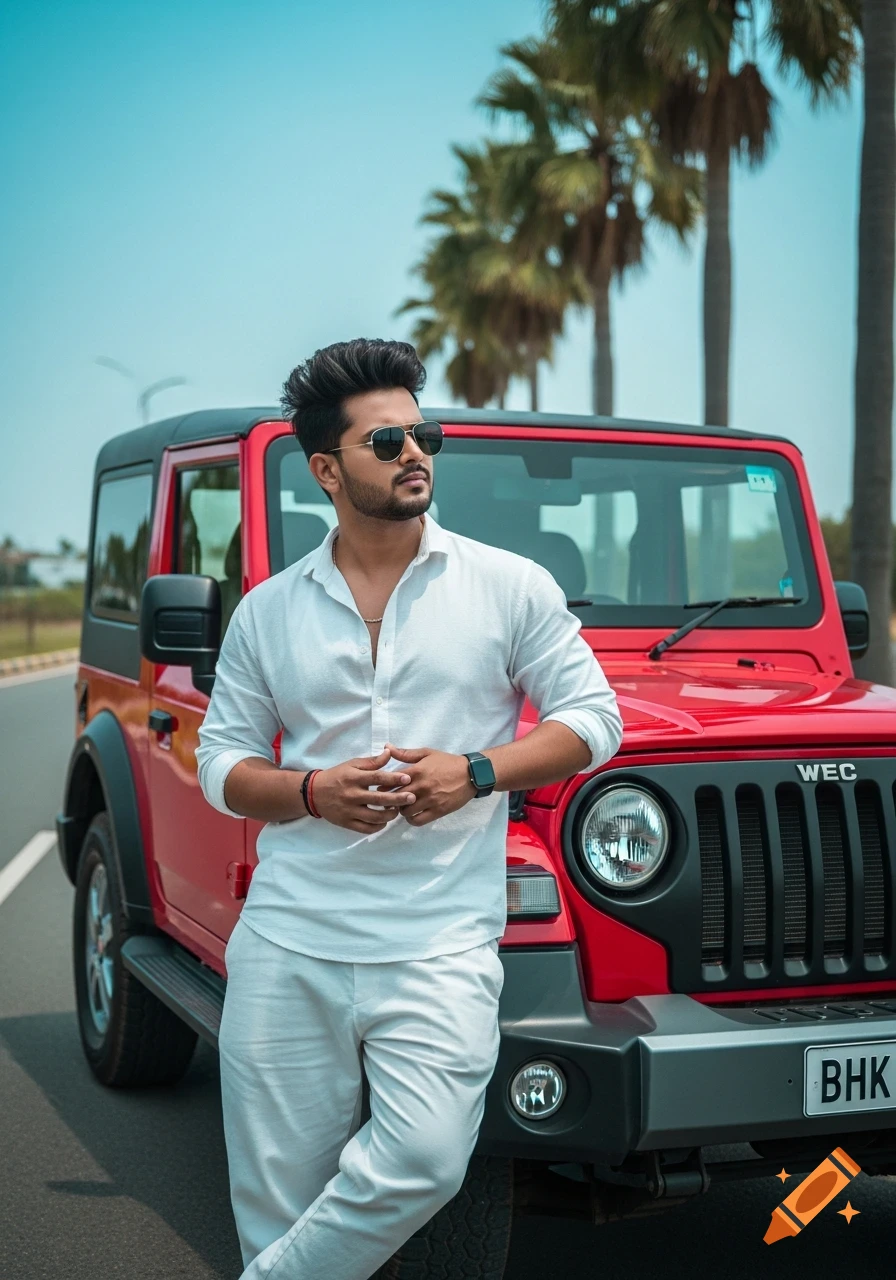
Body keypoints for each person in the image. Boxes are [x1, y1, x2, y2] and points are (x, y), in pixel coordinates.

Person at [196, 337, 623, 1280]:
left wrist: (476, 772)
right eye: (385, 442)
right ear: (325, 470)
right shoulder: (267, 610)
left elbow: (596, 720)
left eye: (423, 433)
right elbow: (219, 762)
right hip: (290, 939)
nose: (415, 453)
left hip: (438, 942)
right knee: (278, 1202)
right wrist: (313, 792)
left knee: (426, 1161)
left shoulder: (507, 586)